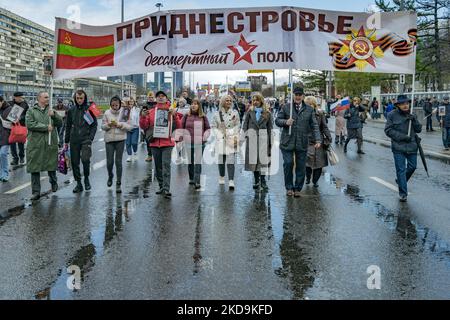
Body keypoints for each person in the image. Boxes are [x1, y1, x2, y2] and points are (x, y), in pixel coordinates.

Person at [275, 87, 321, 197]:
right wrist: (286, 122)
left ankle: (297, 188)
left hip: (302, 141)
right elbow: (277, 120)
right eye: (296, 94)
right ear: (293, 95)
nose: (298, 96)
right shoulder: (286, 107)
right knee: (288, 163)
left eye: (300, 94)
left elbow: (314, 125)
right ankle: (289, 187)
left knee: (301, 166)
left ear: (303, 96)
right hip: (287, 141)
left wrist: (318, 139)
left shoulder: (309, 109)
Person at [139, 91, 181, 198]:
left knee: (166, 165)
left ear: (166, 98)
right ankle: (161, 186)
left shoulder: (171, 110)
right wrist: (143, 117)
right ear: (156, 99)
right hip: (154, 143)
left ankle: (166, 189)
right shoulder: (151, 111)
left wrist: (174, 115)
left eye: (163, 96)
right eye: (158, 96)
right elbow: (144, 126)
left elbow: (179, 126)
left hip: (167, 143)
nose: (160, 98)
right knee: (158, 167)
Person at [25, 92, 63, 201]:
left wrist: (54, 116)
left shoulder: (51, 110)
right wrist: (46, 127)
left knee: (51, 165)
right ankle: (36, 192)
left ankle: (54, 182)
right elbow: (30, 124)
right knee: (35, 168)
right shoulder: (31, 111)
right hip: (36, 144)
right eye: (46, 97)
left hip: (49, 143)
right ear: (39, 98)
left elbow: (60, 123)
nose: (48, 99)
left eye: (48, 97)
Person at [384, 94, 422, 202]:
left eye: (407, 103)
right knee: (400, 170)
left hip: (412, 146)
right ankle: (403, 193)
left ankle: (400, 181)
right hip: (398, 147)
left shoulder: (412, 114)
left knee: (412, 166)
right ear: (398, 105)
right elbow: (388, 130)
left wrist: (414, 120)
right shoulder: (392, 115)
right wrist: (402, 137)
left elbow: (419, 130)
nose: (405, 106)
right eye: (402, 104)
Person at [65, 90, 98, 193]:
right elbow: (68, 126)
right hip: (74, 139)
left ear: (84, 98)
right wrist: (66, 141)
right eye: (78, 98)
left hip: (85, 139)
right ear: (75, 98)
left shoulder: (88, 110)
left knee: (85, 160)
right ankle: (79, 184)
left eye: (81, 98)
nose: (79, 100)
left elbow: (94, 125)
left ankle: (87, 179)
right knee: (75, 163)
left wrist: (91, 138)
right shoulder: (71, 110)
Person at [242, 93, 273, 191]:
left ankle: (263, 181)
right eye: (253, 100)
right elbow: (245, 125)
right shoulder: (249, 112)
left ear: (261, 101)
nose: (255, 102)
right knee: (254, 160)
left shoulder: (267, 113)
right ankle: (256, 180)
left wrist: (270, 141)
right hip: (252, 138)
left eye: (257, 100)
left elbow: (270, 128)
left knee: (263, 161)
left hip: (264, 139)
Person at [102, 96, 131, 193]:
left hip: (120, 139)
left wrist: (119, 125)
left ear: (119, 105)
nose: (115, 107)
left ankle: (118, 183)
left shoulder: (124, 112)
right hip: (109, 140)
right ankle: (110, 175)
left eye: (117, 105)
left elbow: (129, 127)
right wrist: (108, 125)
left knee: (118, 162)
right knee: (109, 162)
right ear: (110, 105)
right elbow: (102, 126)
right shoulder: (106, 113)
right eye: (113, 105)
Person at [212, 95, 241, 190]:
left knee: (231, 160)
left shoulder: (235, 113)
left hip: (231, 139)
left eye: (230, 101)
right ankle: (221, 176)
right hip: (220, 139)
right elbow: (213, 126)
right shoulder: (217, 114)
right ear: (222, 102)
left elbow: (238, 125)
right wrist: (219, 134)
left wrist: (231, 133)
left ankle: (231, 180)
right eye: (227, 100)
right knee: (221, 160)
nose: (229, 102)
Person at [181, 98, 211, 190]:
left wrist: (205, 137)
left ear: (199, 106)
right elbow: (181, 127)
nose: (193, 105)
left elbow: (207, 128)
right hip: (188, 142)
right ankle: (191, 178)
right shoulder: (186, 116)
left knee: (197, 162)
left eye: (196, 104)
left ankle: (197, 181)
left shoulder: (203, 117)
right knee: (190, 162)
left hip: (199, 143)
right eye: (192, 104)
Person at [304, 96, 332, 188]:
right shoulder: (302, 114)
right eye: (307, 105)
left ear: (314, 105)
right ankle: (308, 177)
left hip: (318, 141)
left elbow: (324, 127)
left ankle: (315, 181)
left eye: (310, 104)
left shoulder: (320, 114)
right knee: (307, 162)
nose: (309, 106)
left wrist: (328, 137)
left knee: (319, 163)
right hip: (307, 141)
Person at [8, 92, 29, 165]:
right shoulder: (9, 104)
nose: (21, 98)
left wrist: (20, 118)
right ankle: (15, 158)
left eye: (22, 97)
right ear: (15, 97)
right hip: (11, 126)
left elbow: (27, 114)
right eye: (19, 97)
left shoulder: (25, 104)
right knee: (12, 142)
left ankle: (22, 157)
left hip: (21, 125)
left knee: (21, 142)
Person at [124, 97, 141, 162]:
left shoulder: (137, 109)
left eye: (132, 101)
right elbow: (123, 119)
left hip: (135, 128)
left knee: (134, 142)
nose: (131, 102)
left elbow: (140, 119)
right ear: (128, 102)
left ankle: (135, 152)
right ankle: (129, 156)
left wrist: (141, 129)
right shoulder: (125, 110)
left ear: (134, 102)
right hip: (128, 128)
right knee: (128, 143)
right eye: (129, 101)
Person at [0, 96, 12, 182]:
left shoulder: (10, 109)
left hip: (6, 135)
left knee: (3, 154)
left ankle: (5, 174)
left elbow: (16, 122)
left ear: (2, 101)